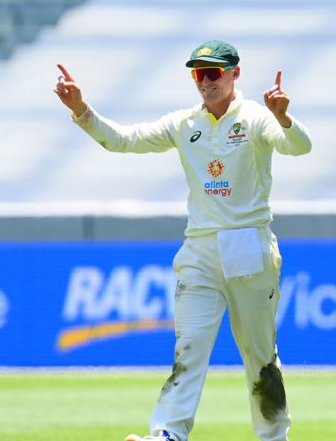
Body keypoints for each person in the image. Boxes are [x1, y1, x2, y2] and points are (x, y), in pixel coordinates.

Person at [54, 40, 311, 441]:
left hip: (249, 248)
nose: (205, 82)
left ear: (234, 74)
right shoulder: (184, 123)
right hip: (200, 250)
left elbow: (299, 147)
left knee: (260, 359)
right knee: (188, 349)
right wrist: (81, 111)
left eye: (213, 72)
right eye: (198, 73)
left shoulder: (258, 119)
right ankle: (169, 433)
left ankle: (273, 436)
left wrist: (285, 118)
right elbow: (123, 139)